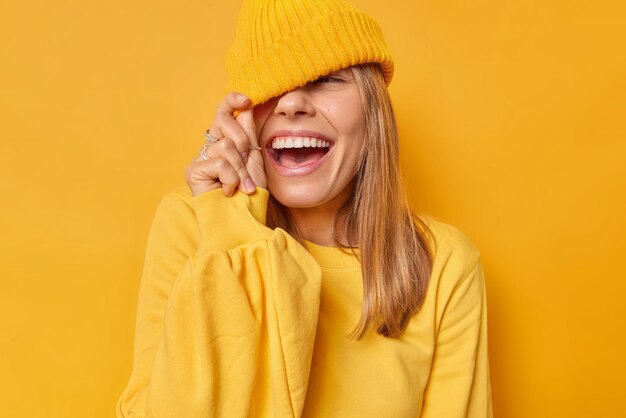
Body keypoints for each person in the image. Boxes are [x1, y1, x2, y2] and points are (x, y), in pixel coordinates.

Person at [116, 0, 493, 416]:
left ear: (374, 112)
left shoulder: (444, 265)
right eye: (270, 84)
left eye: (327, 78)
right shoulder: (194, 223)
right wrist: (233, 228)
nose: (291, 103)